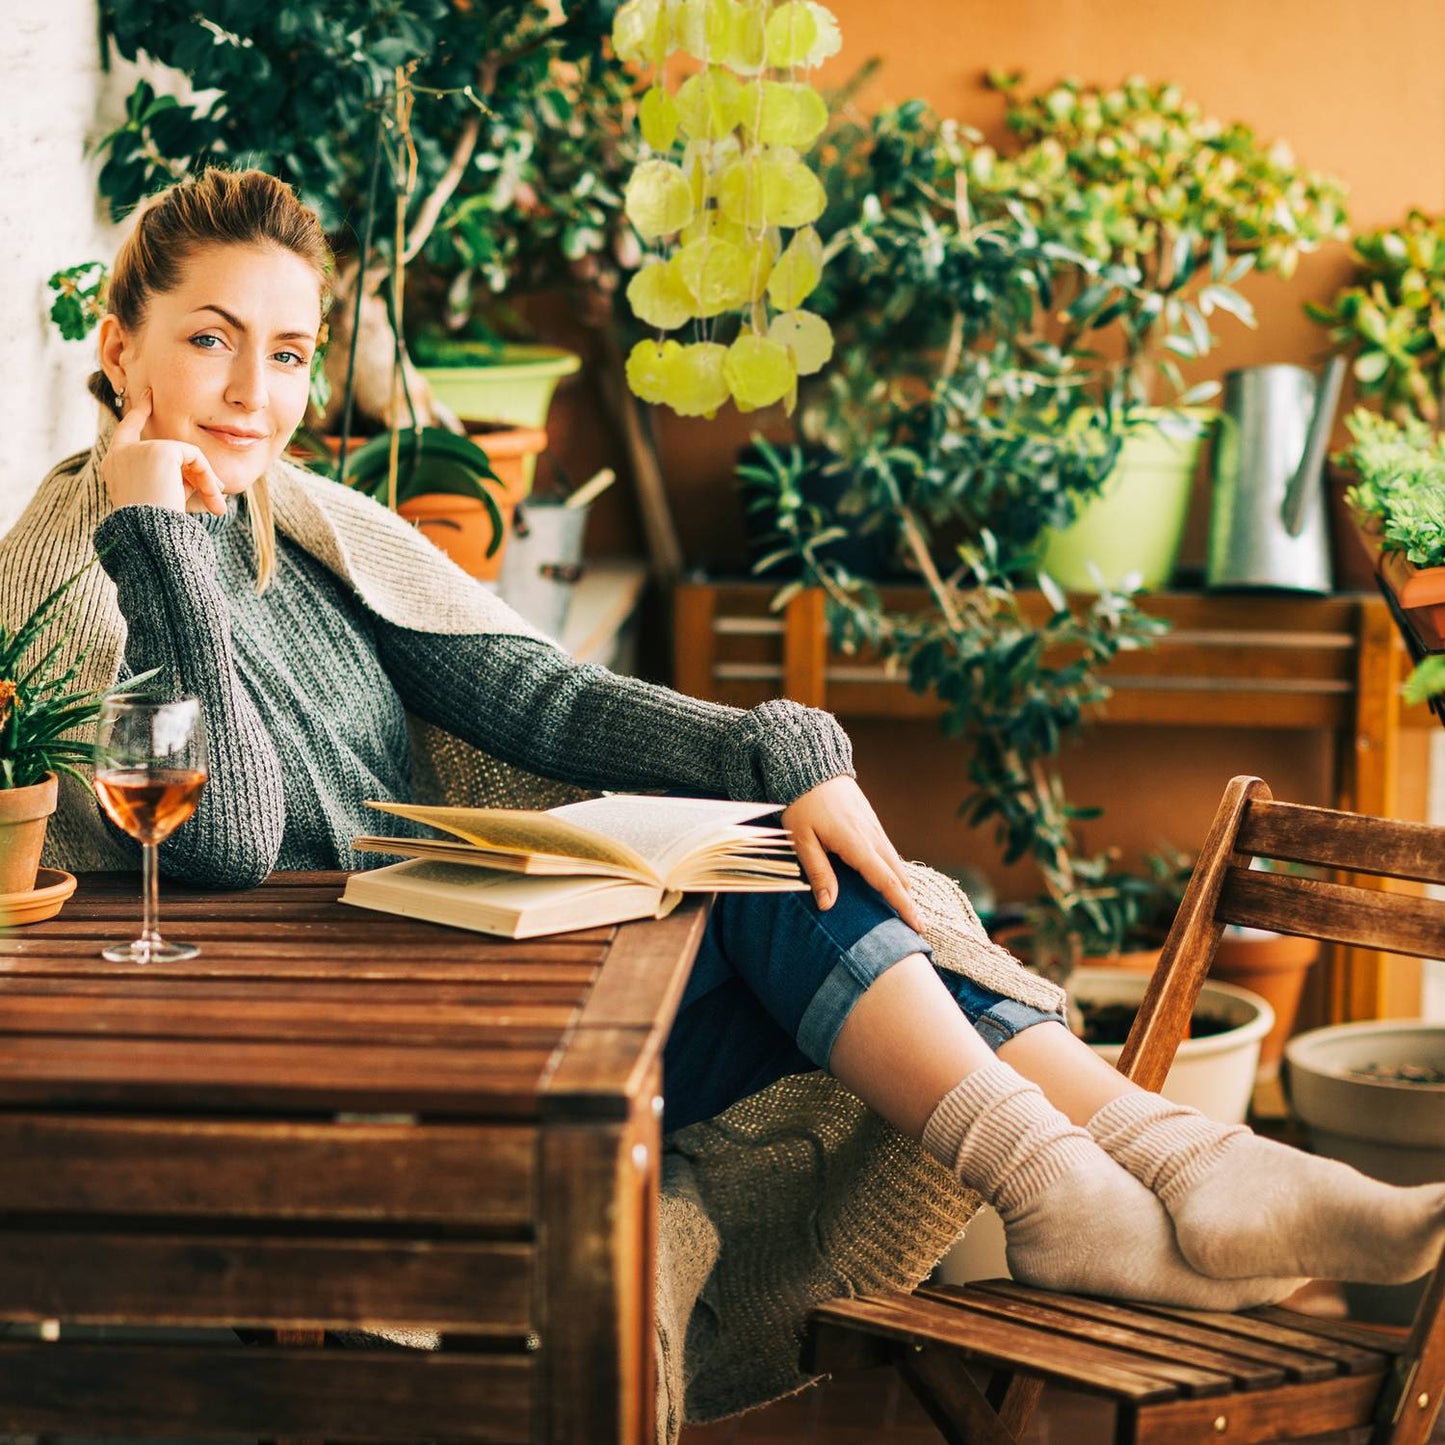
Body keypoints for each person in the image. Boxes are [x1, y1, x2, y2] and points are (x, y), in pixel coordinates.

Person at [3, 167, 1441, 1349]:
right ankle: (1139, 1170)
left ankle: (1153, 1170)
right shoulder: (63, 575)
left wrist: (779, 751)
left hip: (464, 993)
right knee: (792, 893)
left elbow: (538, 702)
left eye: (291, 349)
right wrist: (160, 532)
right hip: (362, 1079)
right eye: (208, 337)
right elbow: (226, 837)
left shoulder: (310, 527)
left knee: (782, 846)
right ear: (120, 345)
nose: (254, 388)